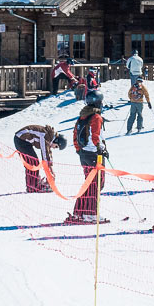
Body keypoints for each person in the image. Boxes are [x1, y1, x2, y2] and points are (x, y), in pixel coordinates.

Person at [67, 90, 108, 224]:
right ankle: (90, 213)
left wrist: (79, 150)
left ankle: (81, 211)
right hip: (94, 154)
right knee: (96, 183)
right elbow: (95, 135)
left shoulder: (82, 116)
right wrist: (100, 149)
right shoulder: (96, 117)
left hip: (84, 153)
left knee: (89, 183)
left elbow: (75, 134)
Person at [13, 125, 64, 192]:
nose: (54, 148)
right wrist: (49, 172)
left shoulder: (49, 137)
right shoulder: (45, 136)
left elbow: (48, 152)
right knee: (33, 162)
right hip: (21, 140)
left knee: (32, 163)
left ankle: (32, 184)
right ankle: (33, 186)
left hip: (22, 140)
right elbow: (44, 152)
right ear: (56, 141)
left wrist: (51, 168)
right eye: (56, 146)